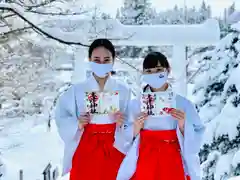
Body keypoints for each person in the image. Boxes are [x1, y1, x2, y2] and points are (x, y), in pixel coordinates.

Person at [117, 52, 205, 180]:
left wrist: (183, 126)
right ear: (144, 74)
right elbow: (121, 135)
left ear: (167, 70)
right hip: (145, 155)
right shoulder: (135, 104)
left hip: (172, 156)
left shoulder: (183, 103)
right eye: (149, 71)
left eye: (158, 70)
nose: (154, 74)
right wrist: (136, 128)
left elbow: (198, 132)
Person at [55, 39, 133, 180]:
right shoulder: (77, 90)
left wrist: (123, 122)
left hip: (116, 146)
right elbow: (62, 116)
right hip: (86, 146)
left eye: (106, 59)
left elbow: (132, 123)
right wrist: (77, 123)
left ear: (113, 60)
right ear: (89, 59)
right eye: (96, 60)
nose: (101, 64)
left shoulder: (124, 90)